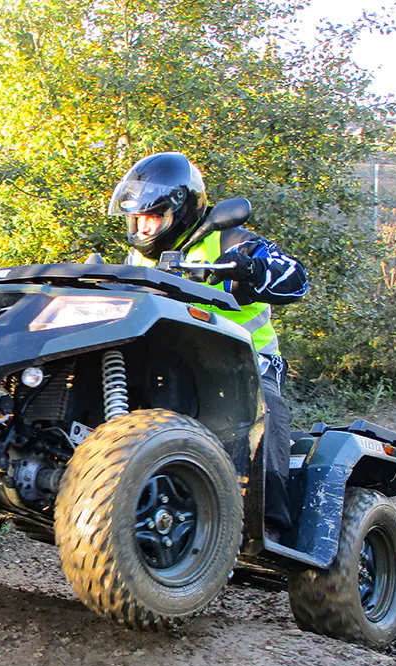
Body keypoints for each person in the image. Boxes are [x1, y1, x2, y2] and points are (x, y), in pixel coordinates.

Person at [107, 152, 308, 543]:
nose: (144, 227)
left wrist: (253, 269)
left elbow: (296, 278)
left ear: (178, 210)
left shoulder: (230, 239)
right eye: (138, 220)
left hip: (248, 361)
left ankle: (267, 518)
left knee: (263, 409)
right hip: (168, 359)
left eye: (153, 217)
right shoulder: (136, 258)